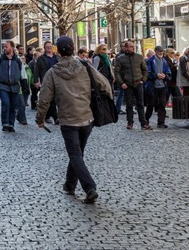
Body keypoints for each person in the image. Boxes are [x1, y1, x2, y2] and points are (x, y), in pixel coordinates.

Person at [36, 36, 112, 205]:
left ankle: (89, 187)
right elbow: (105, 85)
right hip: (87, 118)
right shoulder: (85, 66)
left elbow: (44, 99)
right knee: (78, 154)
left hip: (68, 120)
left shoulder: (53, 72)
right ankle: (70, 185)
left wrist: (40, 119)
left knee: (75, 154)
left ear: (57, 51)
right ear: (73, 48)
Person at [0, 40, 28, 132]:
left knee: (13, 106)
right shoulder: (0, 58)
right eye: (4, 47)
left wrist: (25, 86)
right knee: (6, 103)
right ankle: (5, 123)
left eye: (6, 47)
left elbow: (23, 73)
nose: (4, 48)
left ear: (12, 48)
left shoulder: (18, 59)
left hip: (14, 86)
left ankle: (11, 124)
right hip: (3, 85)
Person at [115, 40, 150, 130]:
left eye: (133, 47)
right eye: (131, 47)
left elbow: (145, 70)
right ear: (126, 48)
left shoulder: (139, 57)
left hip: (138, 83)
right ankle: (130, 123)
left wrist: (143, 80)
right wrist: (122, 83)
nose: (133, 48)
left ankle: (143, 123)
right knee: (129, 105)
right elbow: (117, 72)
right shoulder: (120, 58)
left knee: (140, 104)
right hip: (127, 84)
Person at [33, 41, 59, 124]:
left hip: (57, 81)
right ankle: (55, 117)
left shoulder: (57, 57)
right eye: (47, 46)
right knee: (48, 100)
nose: (49, 48)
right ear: (44, 48)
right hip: (46, 80)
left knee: (54, 100)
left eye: (50, 46)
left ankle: (49, 116)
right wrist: (36, 81)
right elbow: (36, 70)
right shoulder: (41, 58)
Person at [144, 47, 171, 129]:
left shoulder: (164, 61)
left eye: (162, 51)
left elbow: (168, 72)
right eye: (159, 51)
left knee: (162, 104)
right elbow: (147, 73)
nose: (161, 53)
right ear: (155, 52)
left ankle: (161, 122)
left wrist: (165, 76)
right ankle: (146, 121)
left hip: (162, 86)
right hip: (153, 86)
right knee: (151, 105)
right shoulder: (150, 61)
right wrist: (156, 75)